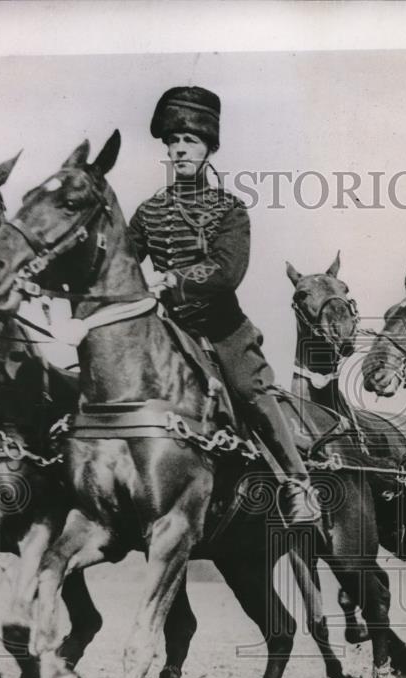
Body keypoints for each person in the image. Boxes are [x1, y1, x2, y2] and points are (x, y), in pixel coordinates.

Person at [128, 85, 319, 525]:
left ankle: (298, 483)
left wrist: (172, 281)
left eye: (190, 141)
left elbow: (227, 270)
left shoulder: (228, 209)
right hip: (167, 331)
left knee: (252, 391)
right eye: (173, 142)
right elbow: (123, 261)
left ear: (209, 148)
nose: (179, 150)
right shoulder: (148, 212)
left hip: (221, 331)